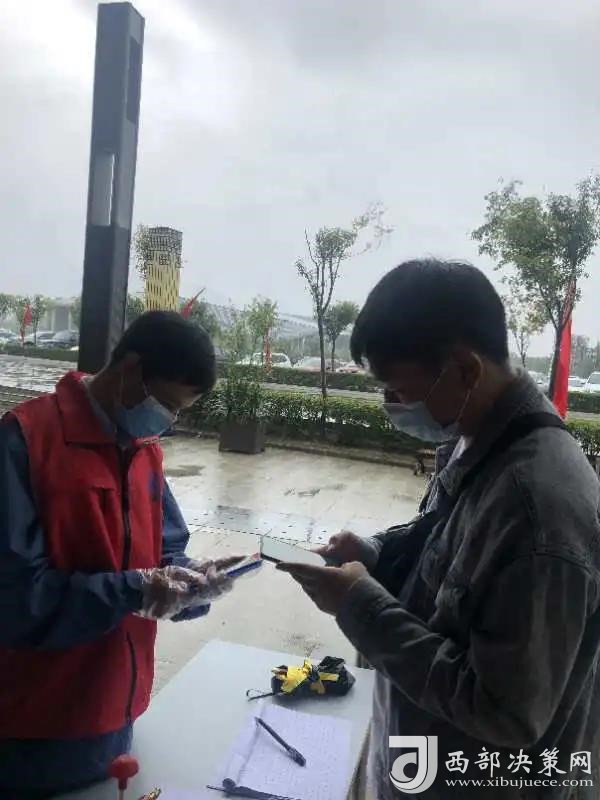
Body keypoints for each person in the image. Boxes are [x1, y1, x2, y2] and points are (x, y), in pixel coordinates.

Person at [278, 259, 600, 799]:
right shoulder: (476, 436)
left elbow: (505, 712)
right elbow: (447, 544)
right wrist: (377, 554)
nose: (392, 406)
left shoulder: (541, 513)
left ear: (466, 370)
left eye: (400, 390)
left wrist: (360, 605)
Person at [0, 311, 241, 798]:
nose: (168, 422)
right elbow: (16, 599)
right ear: (130, 369)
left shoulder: (145, 449)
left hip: (117, 711)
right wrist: (134, 589)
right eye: (166, 404)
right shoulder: (25, 440)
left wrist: (192, 581)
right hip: (33, 726)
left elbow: (165, 550)